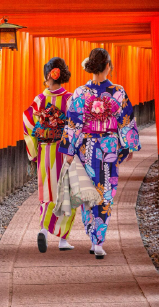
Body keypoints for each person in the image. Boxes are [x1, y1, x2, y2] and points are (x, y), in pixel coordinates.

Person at [59, 48, 141, 259]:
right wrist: (129, 145)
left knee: (89, 191)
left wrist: (70, 150)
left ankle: (93, 235)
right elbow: (126, 120)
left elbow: (72, 124)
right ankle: (98, 241)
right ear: (107, 67)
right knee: (105, 193)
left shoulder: (79, 93)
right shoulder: (118, 92)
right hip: (109, 147)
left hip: (87, 147)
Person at [23, 57, 76, 253]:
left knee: (47, 190)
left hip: (46, 150)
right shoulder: (70, 99)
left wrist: (34, 150)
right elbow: (74, 126)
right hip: (65, 151)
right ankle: (63, 239)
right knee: (68, 192)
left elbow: (28, 123)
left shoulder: (39, 99)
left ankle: (44, 230)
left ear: (48, 75)